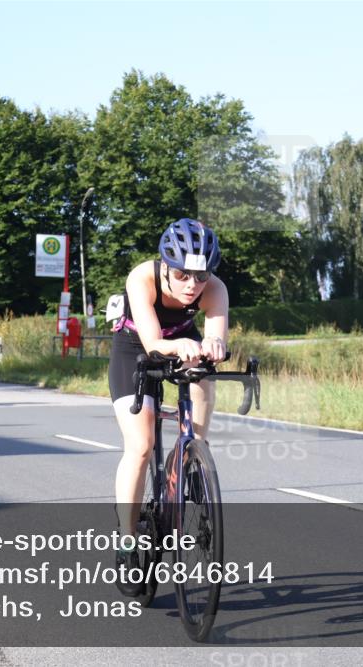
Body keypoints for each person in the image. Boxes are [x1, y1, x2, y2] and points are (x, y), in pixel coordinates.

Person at [108, 218, 228, 597]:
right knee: (141, 446)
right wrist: (179, 347)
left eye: (201, 276)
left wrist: (214, 346)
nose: (192, 285)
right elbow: (153, 342)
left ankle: (193, 453)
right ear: (165, 265)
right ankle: (128, 542)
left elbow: (216, 335)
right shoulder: (141, 277)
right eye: (182, 275)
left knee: (205, 374)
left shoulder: (215, 289)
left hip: (183, 341)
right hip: (136, 347)